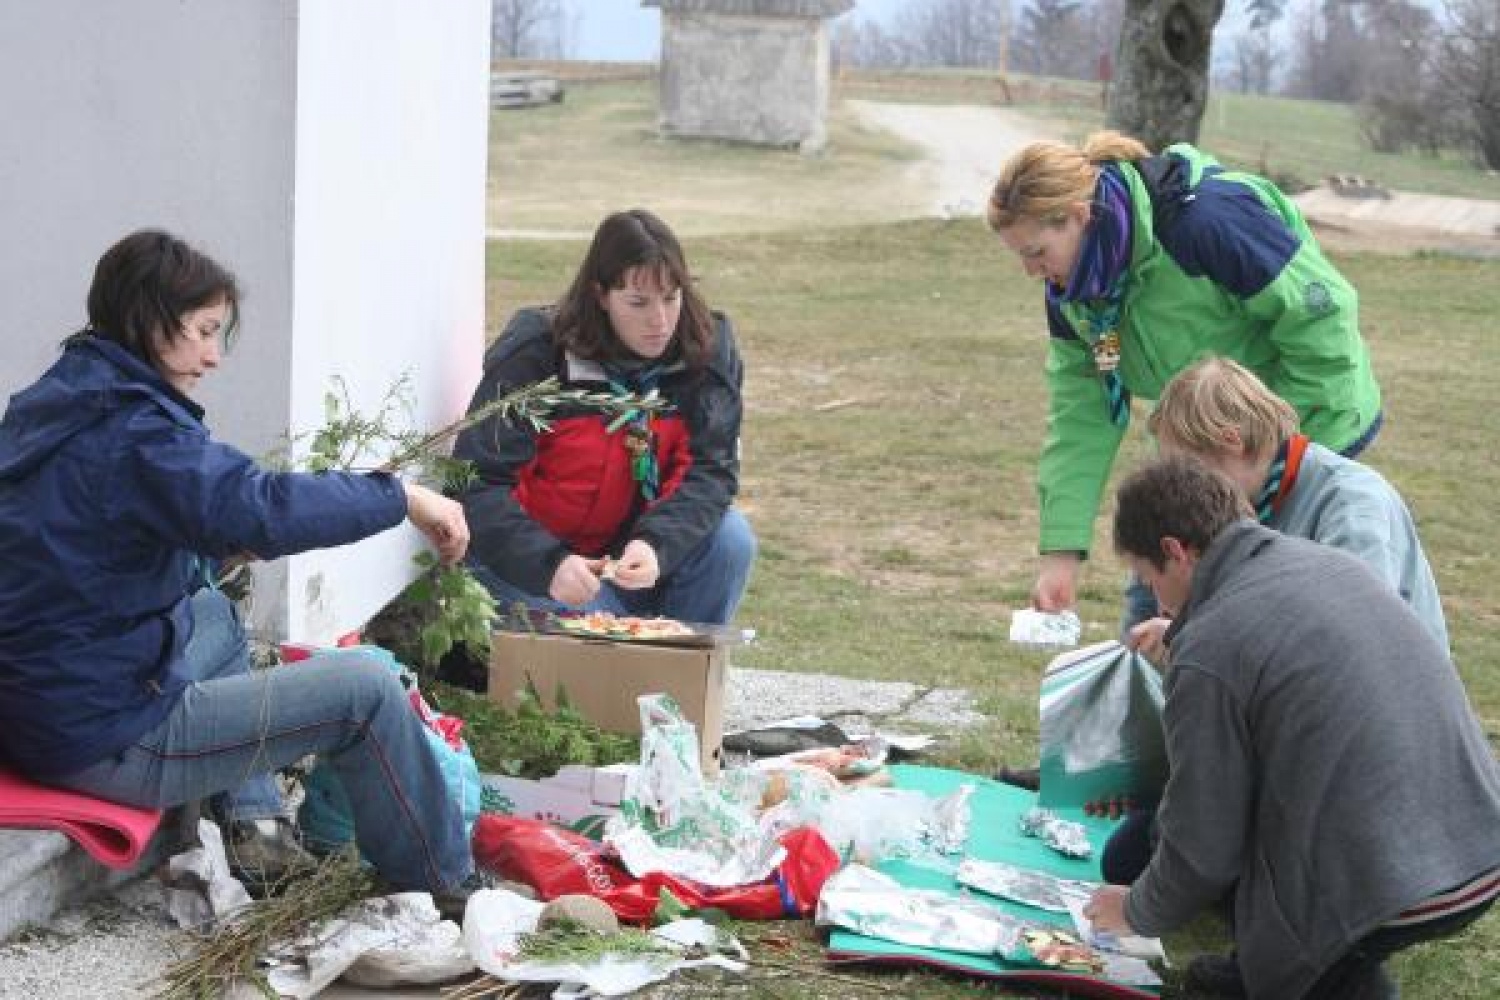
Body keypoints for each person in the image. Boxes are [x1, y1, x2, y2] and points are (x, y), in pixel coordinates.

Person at [0, 230, 473, 903]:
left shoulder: (66, 397)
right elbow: (266, 509)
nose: (214, 356)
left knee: (213, 614)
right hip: (103, 733)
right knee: (364, 692)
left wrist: (212, 543)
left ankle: (255, 826)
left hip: (44, 695)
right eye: (202, 330)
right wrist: (399, 496)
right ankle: (445, 887)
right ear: (145, 319)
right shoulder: (142, 436)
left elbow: (86, 536)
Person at [1082, 456, 1500, 1000]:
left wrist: (1136, 909)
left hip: (1400, 881)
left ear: (1176, 552)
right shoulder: (1325, 565)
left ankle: (1335, 977)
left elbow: (1205, 840)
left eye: (1148, 579)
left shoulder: (1211, 644)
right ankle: (1274, 968)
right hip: (1477, 841)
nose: (1156, 601)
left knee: (1206, 846)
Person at [986, 131, 1382, 622]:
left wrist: (1269, 465)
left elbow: (1322, 320)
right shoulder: (1076, 292)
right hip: (1203, 447)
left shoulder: (1208, 224)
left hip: (1305, 431)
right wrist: (1061, 554)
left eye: (1036, 251)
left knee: (1276, 608)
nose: (1031, 271)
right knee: (1161, 595)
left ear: (1078, 217)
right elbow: (1082, 416)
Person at [1100, 356, 1449, 886]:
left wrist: (1193, 638)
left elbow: (1352, 653)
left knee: (1177, 848)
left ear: (1232, 439)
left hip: (1355, 752)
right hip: (1275, 729)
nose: (1181, 485)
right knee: (1133, 852)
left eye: (1189, 465)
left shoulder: (1352, 506)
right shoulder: (1228, 503)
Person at [454, 208, 755, 626]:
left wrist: (655, 545)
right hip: (541, 569)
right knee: (585, 634)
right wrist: (549, 562)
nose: (660, 321)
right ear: (600, 296)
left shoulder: (704, 351)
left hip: (634, 563)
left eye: (671, 298)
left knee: (732, 539)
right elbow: (479, 484)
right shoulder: (537, 355)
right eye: (638, 303)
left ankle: (677, 663)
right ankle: (623, 654)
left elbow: (710, 472)